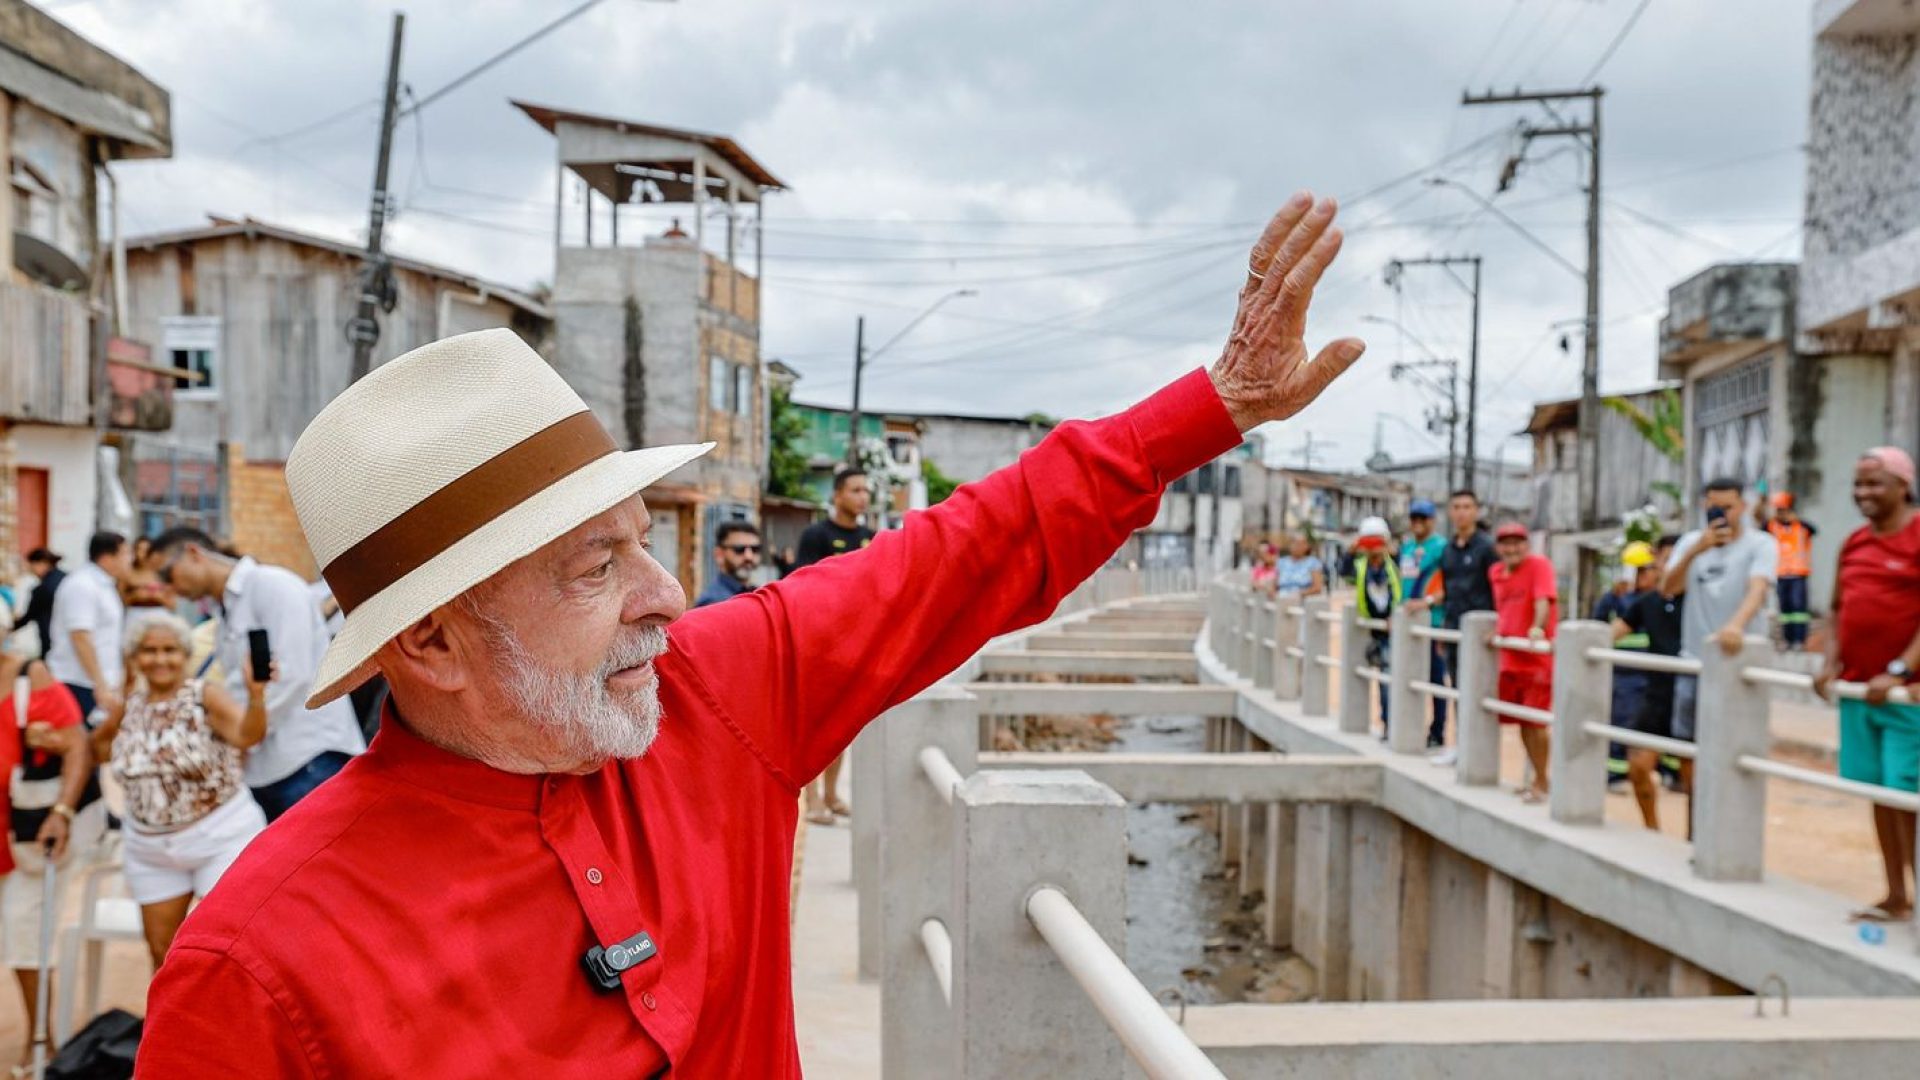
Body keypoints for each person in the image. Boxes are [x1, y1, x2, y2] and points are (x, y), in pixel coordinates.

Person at [133, 193, 1365, 1075]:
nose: (664, 599)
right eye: (596, 565)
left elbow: (966, 554)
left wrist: (1215, 408)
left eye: (646, 545)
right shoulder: (259, 968)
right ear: (435, 646)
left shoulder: (712, 697)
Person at [148, 527, 367, 822]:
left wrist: (245, 732)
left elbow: (294, 675)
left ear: (193, 554)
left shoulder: (272, 585)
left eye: (166, 574)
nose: (168, 588)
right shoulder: (224, 611)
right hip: (264, 768)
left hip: (309, 757)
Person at [90, 611, 269, 970]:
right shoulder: (130, 705)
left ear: (184, 654)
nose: (159, 659)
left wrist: (256, 697)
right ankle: (176, 1026)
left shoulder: (205, 695)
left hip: (219, 837)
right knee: (162, 952)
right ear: (135, 656)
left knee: (231, 945)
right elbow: (98, 750)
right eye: (149, 650)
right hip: (150, 848)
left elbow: (248, 735)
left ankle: (231, 1024)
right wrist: (118, 702)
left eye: (169, 650)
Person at [1816, 447, 1920, 924]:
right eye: (1858, 484)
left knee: (1908, 793)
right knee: (1879, 792)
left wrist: (1900, 670)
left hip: (1905, 695)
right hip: (1859, 692)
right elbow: (1837, 608)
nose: (1864, 494)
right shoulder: (1854, 542)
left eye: (1875, 483)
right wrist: (1830, 661)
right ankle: (1896, 894)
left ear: (1904, 485)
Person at [0, 643, 104, 1073]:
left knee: (26, 929)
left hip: (29, 834)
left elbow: (79, 746)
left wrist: (62, 811)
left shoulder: (29, 676)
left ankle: (41, 1039)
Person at [1663, 478, 1777, 745]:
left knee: (1741, 742)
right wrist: (1696, 550)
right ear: (1705, 506)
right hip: (1694, 658)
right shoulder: (1691, 542)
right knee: (1688, 743)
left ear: (1743, 506)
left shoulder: (1761, 544)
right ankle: (1694, 789)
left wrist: (1735, 626)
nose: (1723, 514)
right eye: (1715, 508)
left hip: (1741, 660)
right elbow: (1668, 588)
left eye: (1729, 507)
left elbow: (1758, 588)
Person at [793, 467, 876, 825]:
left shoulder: (871, 537)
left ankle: (831, 795)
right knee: (815, 725)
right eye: (855, 490)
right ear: (838, 495)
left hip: (856, 643)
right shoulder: (816, 535)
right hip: (821, 642)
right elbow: (802, 587)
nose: (863, 497)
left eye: (866, 491)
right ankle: (811, 801)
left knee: (844, 725)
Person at [1611, 536, 1686, 830]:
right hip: (1655, 695)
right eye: (1662, 561)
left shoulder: (1697, 602)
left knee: (1693, 777)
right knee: (1638, 767)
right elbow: (1613, 631)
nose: (1665, 567)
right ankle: (1651, 828)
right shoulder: (1646, 602)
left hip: (1690, 695)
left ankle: (1695, 843)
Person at [1490, 523, 1557, 803]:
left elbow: (1543, 600)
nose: (1511, 548)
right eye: (1506, 543)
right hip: (1510, 659)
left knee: (1536, 723)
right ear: (1498, 547)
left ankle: (1542, 781)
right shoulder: (1495, 573)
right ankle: (1535, 779)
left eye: (1517, 542)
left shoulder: (1539, 565)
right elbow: (1503, 609)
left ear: (1526, 545)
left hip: (1536, 659)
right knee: (1521, 723)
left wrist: (1536, 627)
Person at [44, 532, 130, 720]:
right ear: (107, 558)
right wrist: (100, 684)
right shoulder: (82, 585)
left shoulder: (105, 586)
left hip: (97, 683)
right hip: (78, 681)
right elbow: (80, 637)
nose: (129, 559)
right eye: (125, 554)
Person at [1401, 499, 1448, 747]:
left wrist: (1428, 602)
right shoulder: (1407, 548)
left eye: (1423, 518)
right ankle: (1405, 728)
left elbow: (1448, 584)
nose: (1418, 523)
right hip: (1407, 623)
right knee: (1407, 676)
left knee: (1435, 678)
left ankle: (1437, 731)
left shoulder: (1441, 548)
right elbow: (1403, 585)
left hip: (1434, 621)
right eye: (1414, 518)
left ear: (1432, 520)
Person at [1352, 517, 1399, 736]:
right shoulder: (1361, 566)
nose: (1374, 549)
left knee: (1392, 680)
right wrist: (1353, 549)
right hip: (1373, 630)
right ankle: (1387, 723)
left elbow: (1404, 590)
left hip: (1395, 629)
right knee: (1383, 680)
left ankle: (1394, 725)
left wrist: (1396, 615)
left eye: (1377, 542)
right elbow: (1343, 571)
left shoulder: (1395, 563)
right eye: (1369, 543)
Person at [1762, 492, 1818, 650]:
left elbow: (1814, 530)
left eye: (1783, 510)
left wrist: (1795, 519)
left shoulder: (1801, 526)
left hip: (1798, 573)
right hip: (1780, 573)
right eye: (1778, 510)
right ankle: (1788, 639)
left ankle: (1799, 639)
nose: (1780, 513)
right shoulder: (1771, 526)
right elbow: (1760, 523)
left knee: (1798, 607)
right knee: (1785, 609)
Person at [6, 549, 62, 659]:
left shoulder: (43, 589)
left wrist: (10, 627)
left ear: (41, 563)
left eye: (32, 567)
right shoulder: (66, 579)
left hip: (51, 642)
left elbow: (30, 615)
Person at [696, 522, 763, 608]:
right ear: (719, 554)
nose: (748, 556)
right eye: (739, 549)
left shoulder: (758, 593)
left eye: (755, 549)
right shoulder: (712, 602)